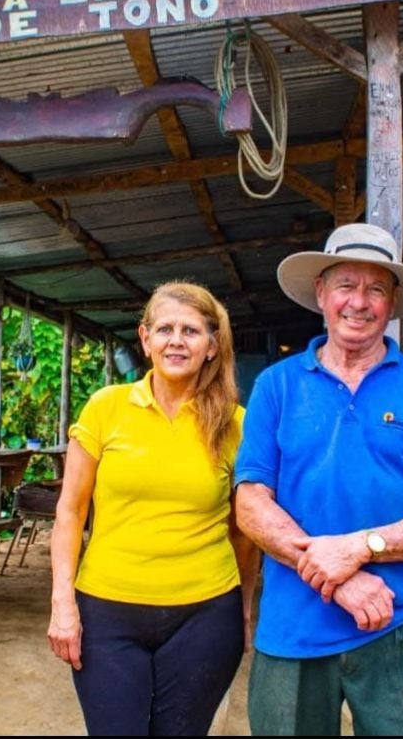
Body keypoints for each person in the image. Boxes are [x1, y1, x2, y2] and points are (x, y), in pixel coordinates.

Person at [234, 223, 403, 736]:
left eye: (376, 289)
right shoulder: (275, 386)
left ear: (393, 302)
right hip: (294, 625)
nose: (358, 302)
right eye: (346, 284)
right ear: (321, 293)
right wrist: (337, 575)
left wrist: (363, 547)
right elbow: (251, 504)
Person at [48, 281, 259, 736]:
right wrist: (62, 601)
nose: (176, 340)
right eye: (164, 329)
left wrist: (242, 610)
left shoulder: (236, 425)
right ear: (145, 340)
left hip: (205, 616)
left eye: (191, 330)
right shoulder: (107, 408)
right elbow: (70, 511)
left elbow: (244, 533)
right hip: (107, 612)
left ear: (211, 346)